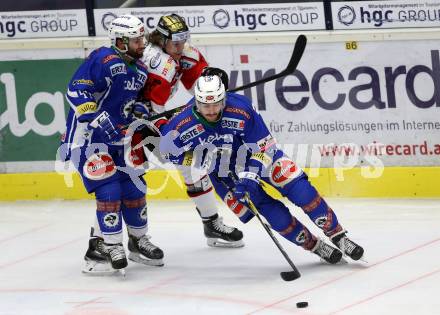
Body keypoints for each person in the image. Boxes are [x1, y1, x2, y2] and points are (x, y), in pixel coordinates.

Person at [159, 72, 365, 264]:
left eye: (217, 104)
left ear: (224, 99)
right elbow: (168, 153)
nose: (212, 111)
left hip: (257, 157)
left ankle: (338, 235)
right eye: (205, 106)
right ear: (197, 101)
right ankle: (315, 246)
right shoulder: (181, 123)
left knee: (302, 191)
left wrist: (249, 178)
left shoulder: (241, 108)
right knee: (272, 213)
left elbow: (264, 147)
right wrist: (200, 160)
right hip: (224, 172)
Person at [60, 14, 163, 275]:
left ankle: (138, 242)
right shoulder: (102, 59)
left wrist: (140, 108)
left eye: (141, 38)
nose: (143, 44)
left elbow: (134, 101)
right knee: (109, 188)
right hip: (87, 140)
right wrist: (96, 117)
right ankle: (109, 245)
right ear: (120, 41)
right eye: (137, 40)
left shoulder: (139, 71)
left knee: (134, 187)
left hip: (119, 141)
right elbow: (75, 90)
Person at [140, 14, 244, 248]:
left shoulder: (183, 54)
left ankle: (211, 223)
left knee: (191, 163)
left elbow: (201, 87)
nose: (180, 47)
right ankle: (103, 240)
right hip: (130, 122)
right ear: (161, 39)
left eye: (183, 40)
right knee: (120, 179)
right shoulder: (158, 62)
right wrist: (170, 132)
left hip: (148, 115)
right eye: (175, 42)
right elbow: (153, 109)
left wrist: (213, 84)